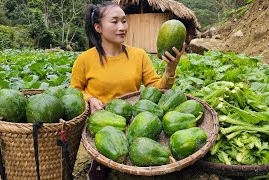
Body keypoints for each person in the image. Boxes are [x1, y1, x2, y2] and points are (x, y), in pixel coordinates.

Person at [70, 1, 186, 179]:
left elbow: (155, 89)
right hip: (103, 124)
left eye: (124, 21)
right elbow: (74, 92)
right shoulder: (85, 60)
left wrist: (170, 70)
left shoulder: (138, 55)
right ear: (98, 27)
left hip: (133, 121)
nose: (122, 26)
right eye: (114, 21)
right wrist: (89, 98)